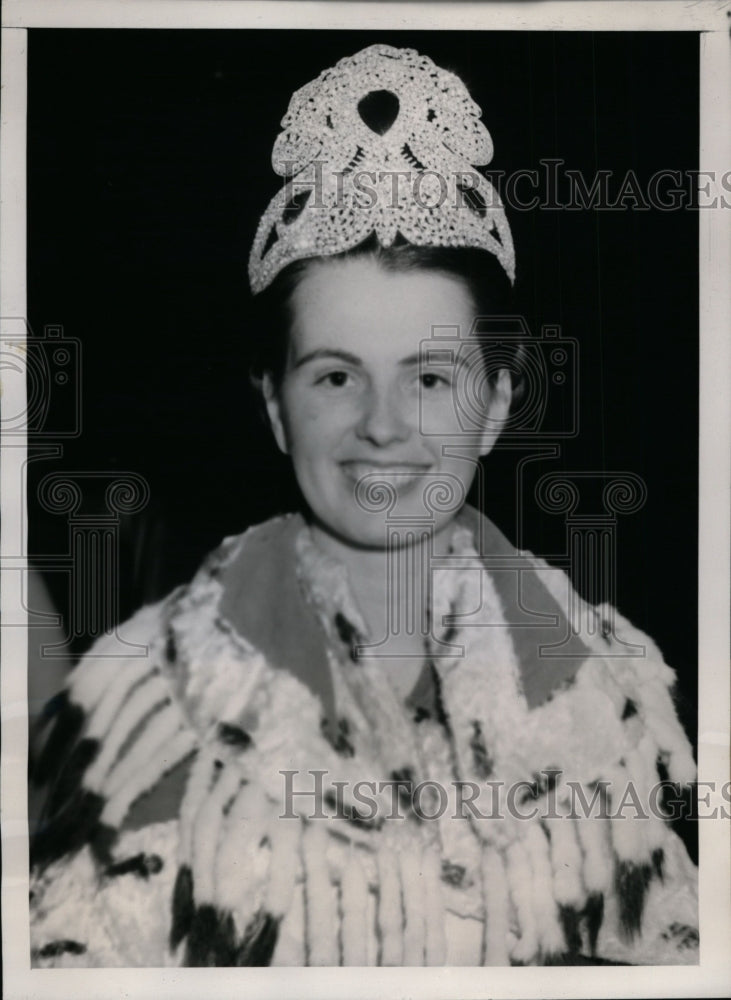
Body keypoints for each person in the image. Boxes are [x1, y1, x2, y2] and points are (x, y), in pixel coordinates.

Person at [29, 43, 698, 967]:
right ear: (274, 405)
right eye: (336, 375)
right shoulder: (146, 707)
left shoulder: (600, 689)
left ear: (497, 406)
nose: (382, 426)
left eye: (429, 377)